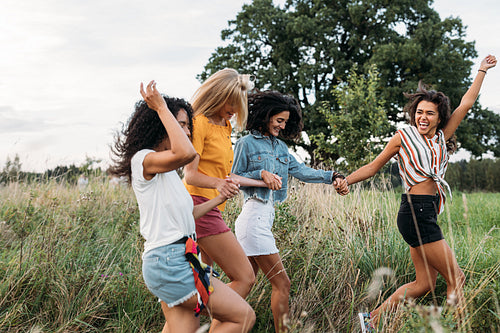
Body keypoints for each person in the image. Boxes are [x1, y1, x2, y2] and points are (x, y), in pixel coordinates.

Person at [343, 55, 496, 332]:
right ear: (414, 114)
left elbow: (466, 104)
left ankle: (370, 322)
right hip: (416, 211)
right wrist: (346, 180)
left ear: (439, 118)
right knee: (457, 279)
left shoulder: (441, 137)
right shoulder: (404, 136)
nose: (423, 118)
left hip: (425, 212)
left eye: (430, 113)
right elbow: (374, 166)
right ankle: (455, 327)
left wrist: (482, 71)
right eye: (419, 112)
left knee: (424, 284)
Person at [109, 81, 255, 333]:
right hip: (169, 261)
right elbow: (187, 154)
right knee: (242, 317)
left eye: (188, 127)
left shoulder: (167, 175)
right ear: (161, 124)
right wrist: (162, 108)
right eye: (183, 126)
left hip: (181, 259)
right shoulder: (143, 160)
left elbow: (188, 217)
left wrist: (217, 199)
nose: (187, 133)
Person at [231, 90, 349, 333]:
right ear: (266, 116)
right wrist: (260, 174)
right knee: (282, 283)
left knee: (244, 283)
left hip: (264, 219)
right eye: (278, 120)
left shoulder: (282, 149)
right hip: (253, 218)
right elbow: (232, 178)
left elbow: (303, 171)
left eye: (285, 122)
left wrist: (333, 176)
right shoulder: (245, 143)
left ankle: (207, 316)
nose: (282, 126)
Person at [183, 68, 274, 308]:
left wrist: (260, 182)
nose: (234, 110)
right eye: (230, 102)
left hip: (213, 206)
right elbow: (190, 174)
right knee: (245, 277)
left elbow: (224, 174)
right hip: (199, 206)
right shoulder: (199, 122)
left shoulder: (225, 126)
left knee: (206, 285)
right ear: (217, 94)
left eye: (238, 104)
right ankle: (220, 319)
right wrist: (219, 184)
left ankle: (190, 318)